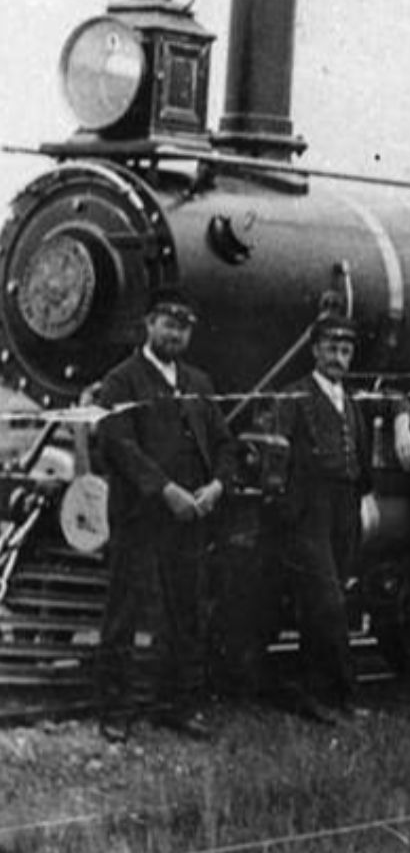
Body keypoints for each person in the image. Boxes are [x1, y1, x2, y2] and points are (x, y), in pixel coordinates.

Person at [93, 288, 239, 743]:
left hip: (190, 519)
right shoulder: (120, 381)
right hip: (140, 518)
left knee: (186, 613)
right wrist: (166, 490)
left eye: (184, 327)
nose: (175, 333)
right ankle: (116, 711)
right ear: (149, 325)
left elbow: (225, 443)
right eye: (168, 324)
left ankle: (179, 706)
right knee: (126, 612)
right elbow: (119, 445)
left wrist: (217, 484)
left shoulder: (198, 382)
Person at [266, 312, 410, 724]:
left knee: (331, 602)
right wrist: (289, 511)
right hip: (309, 510)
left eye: (345, 350)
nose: (338, 357)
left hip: (345, 506)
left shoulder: (351, 399)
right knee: (326, 603)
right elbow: (273, 455)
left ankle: (332, 696)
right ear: (315, 351)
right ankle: (330, 696)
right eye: (331, 348)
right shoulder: (293, 397)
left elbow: (395, 398)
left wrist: (402, 423)